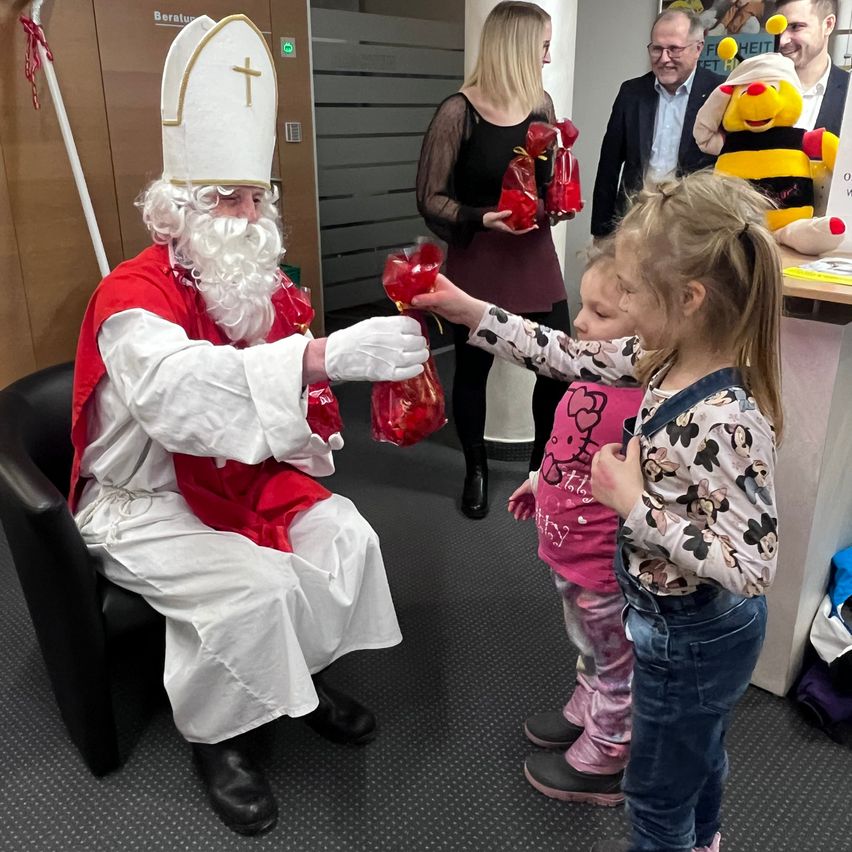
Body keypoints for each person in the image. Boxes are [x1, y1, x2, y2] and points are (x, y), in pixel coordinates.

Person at [69, 15, 428, 837]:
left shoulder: (248, 286)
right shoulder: (131, 298)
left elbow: (267, 395)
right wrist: (319, 359)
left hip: (230, 477)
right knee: (254, 587)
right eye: (223, 197)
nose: (244, 213)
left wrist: (332, 385)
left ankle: (295, 678)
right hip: (141, 499)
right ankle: (221, 742)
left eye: (255, 196)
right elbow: (181, 398)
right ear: (176, 211)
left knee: (346, 536)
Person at [413, 169, 780, 852]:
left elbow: (751, 564)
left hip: (694, 634)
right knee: (691, 757)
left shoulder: (726, 418)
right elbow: (566, 354)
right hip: (663, 615)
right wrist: (471, 312)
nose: (620, 300)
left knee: (655, 793)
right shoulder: (661, 356)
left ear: (690, 298)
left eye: (634, 290)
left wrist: (633, 504)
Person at [416, 1, 571, 520]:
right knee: (472, 372)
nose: (548, 57)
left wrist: (560, 198)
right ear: (520, 48)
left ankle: (539, 473)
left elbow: (549, 179)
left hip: (534, 258)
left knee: (556, 370)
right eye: (544, 47)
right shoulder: (457, 111)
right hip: (479, 261)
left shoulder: (542, 105)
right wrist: (483, 218)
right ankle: (477, 470)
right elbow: (430, 197)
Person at [507, 240, 641, 805]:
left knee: (617, 658)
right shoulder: (590, 382)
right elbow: (571, 446)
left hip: (606, 564)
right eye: (582, 308)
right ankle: (591, 708)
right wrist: (541, 481)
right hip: (570, 555)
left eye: (601, 314)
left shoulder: (646, 400)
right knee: (587, 642)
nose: (580, 325)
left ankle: (611, 750)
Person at [590, 9, 725, 238]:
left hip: (695, 229)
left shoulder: (720, 94)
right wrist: (601, 233)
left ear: (698, 48)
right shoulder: (631, 93)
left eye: (674, 49)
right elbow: (609, 166)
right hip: (636, 223)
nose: (664, 59)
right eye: (657, 49)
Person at [776, 0, 849, 135]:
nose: (782, 40)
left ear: (828, 25)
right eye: (779, 28)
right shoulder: (756, 86)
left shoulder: (848, 91)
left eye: (796, 27)